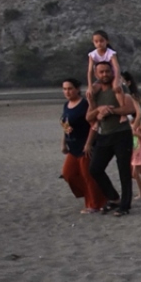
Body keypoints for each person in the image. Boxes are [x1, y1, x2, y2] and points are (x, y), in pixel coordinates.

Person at [83, 61, 135, 217]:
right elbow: (89, 117)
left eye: (107, 71)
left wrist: (110, 111)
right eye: (101, 72)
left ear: (112, 72)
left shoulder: (119, 88)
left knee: (123, 171)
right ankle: (114, 198)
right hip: (104, 135)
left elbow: (130, 109)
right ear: (96, 74)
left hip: (122, 134)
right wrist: (98, 108)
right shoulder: (95, 93)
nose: (105, 75)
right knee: (95, 168)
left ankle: (125, 206)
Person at [59, 78, 107, 214]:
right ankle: (94, 196)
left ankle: (95, 204)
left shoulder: (85, 105)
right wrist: (63, 143)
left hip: (85, 146)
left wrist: (89, 143)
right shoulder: (66, 105)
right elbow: (65, 126)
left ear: (77, 89)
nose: (67, 92)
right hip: (72, 147)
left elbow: (94, 125)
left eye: (70, 88)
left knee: (88, 176)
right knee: (68, 174)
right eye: (64, 89)